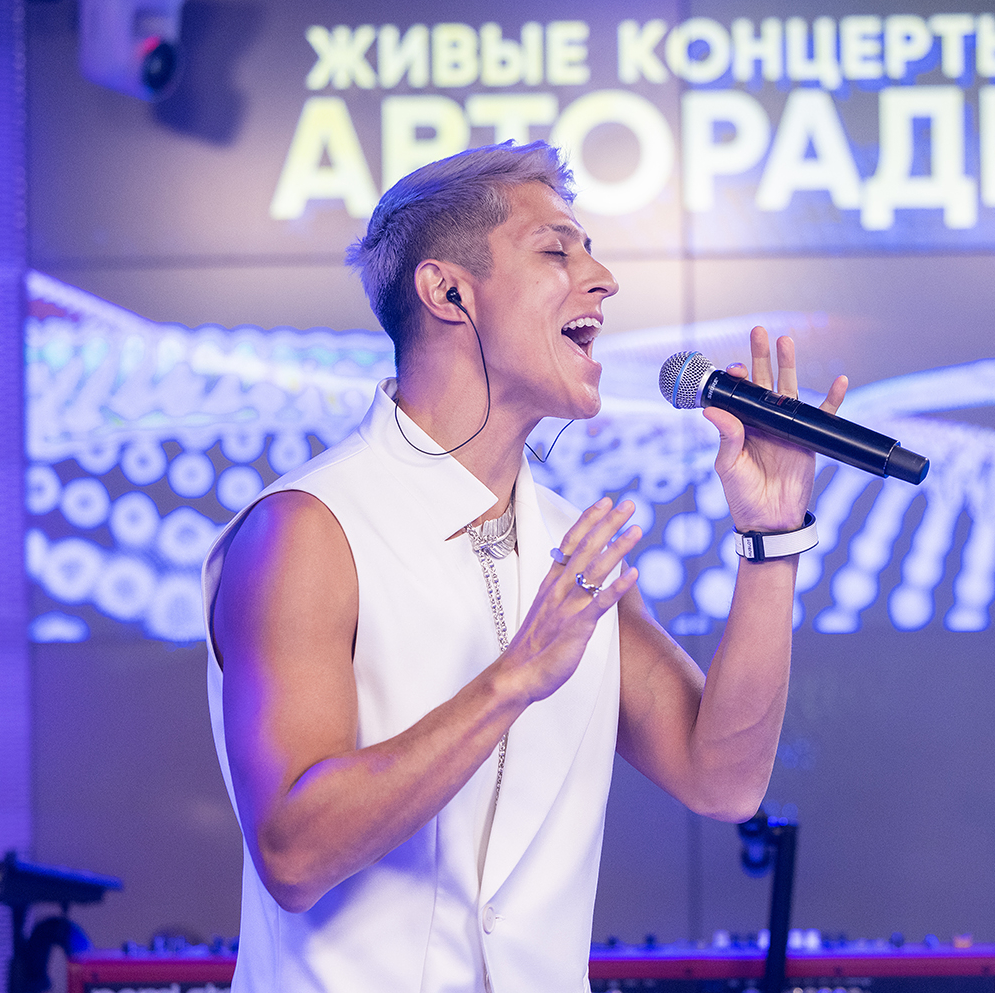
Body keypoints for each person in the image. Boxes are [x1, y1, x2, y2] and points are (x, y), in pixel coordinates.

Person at [202, 140, 849, 992]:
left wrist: (770, 540)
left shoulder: (569, 544)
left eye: (589, 251)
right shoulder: (309, 527)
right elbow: (293, 855)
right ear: (449, 293)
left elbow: (723, 781)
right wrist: (513, 681)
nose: (602, 279)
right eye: (557, 252)